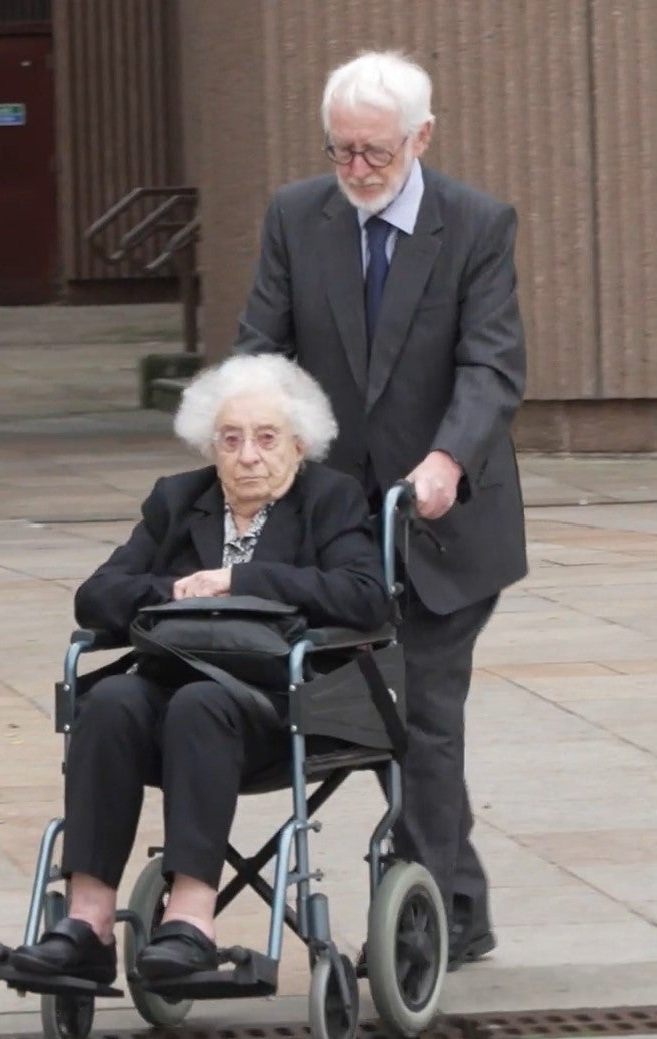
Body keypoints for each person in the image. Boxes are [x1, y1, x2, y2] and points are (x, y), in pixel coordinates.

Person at [234, 49, 528, 971]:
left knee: (422, 716)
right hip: (336, 525)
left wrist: (446, 458)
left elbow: (490, 366)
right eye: (341, 153)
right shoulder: (296, 215)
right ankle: (462, 907)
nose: (357, 171)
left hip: (445, 519)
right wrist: (250, 442)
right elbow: (262, 347)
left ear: (420, 138)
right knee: (382, 717)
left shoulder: (475, 224)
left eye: (376, 154)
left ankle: (415, 932)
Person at [7, 353, 391, 986]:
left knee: (199, 705)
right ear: (210, 446)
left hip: (278, 708)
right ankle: (87, 924)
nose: (247, 456)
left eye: (266, 439)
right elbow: (97, 595)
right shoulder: (179, 500)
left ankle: (190, 921)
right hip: (171, 695)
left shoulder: (331, 499)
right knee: (108, 702)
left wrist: (240, 582)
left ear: (299, 444)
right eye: (230, 439)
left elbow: (365, 596)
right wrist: (178, 591)